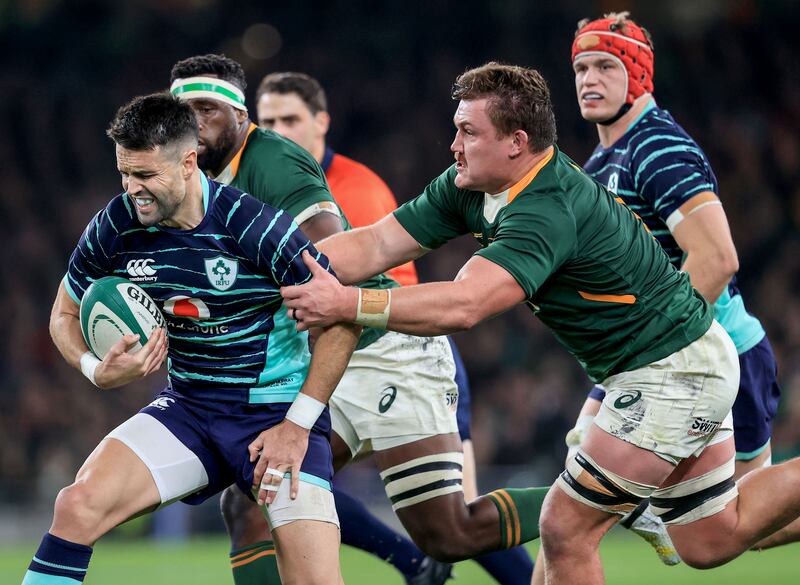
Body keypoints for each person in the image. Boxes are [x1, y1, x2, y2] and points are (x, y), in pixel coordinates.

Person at [279, 61, 800, 584]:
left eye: (468, 132)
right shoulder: (470, 184)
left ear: (516, 142)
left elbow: (466, 305)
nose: (454, 145)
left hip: (673, 372)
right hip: (665, 364)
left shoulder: (547, 207)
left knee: (565, 526)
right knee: (710, 538)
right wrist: (275, 270)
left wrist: (346, 303)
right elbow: (375, 243)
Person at [168, 54, 548, 583]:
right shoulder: (205, 182)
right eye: (183, 112)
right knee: (255, 498)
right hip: (330, 356)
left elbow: (346, 273)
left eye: (207, 108)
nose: (196, 122)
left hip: (387, 349)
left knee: (450, 533)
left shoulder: (291, 169)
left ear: (240, 115)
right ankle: (417, 562)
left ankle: (590, 496)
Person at [21, 93, 361, 585]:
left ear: (188, 162)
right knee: (77, 505)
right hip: (190, 407)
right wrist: (94, 369)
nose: (132, 189)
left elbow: (343, 321)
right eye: (125, 173)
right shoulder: (116, 225)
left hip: (274, 413)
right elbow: (63, 313)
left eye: (145, 175)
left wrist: (297, 425)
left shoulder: (255, 226)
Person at [550, 10, 785, 572]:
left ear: (638, 74)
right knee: (574, 508)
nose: (589, 79)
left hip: (712, 356)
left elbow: (717, 258)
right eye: (581, 68)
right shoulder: (602, 161)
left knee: (731, 529)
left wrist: (650, 351)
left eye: (606, 66)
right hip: (661, 361)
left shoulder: (656, 146)